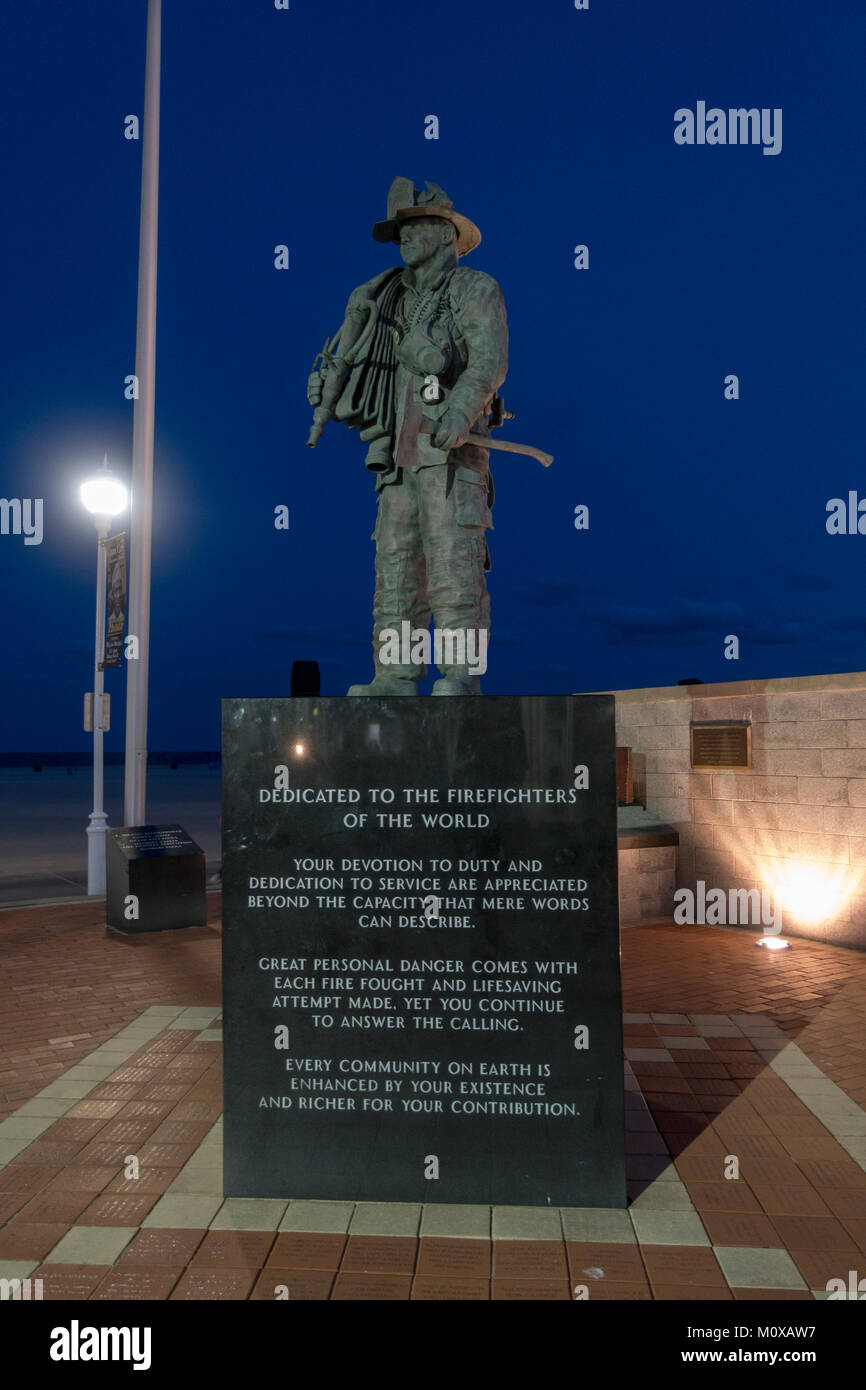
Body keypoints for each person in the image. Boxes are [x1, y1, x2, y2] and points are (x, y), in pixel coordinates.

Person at [307, 179, 508, 695]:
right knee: (395, 570)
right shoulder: (381, 298)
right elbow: (353, 361)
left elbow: (489, 363)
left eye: (416, 226)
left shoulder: (475, 288)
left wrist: (459, 414)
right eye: (401, 229)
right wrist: (324, 385)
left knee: (453, 567)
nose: (405, 236)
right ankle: (396, 675)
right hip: (396, 455)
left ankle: (461, 678)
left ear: (446, 235)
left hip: (450, 454)